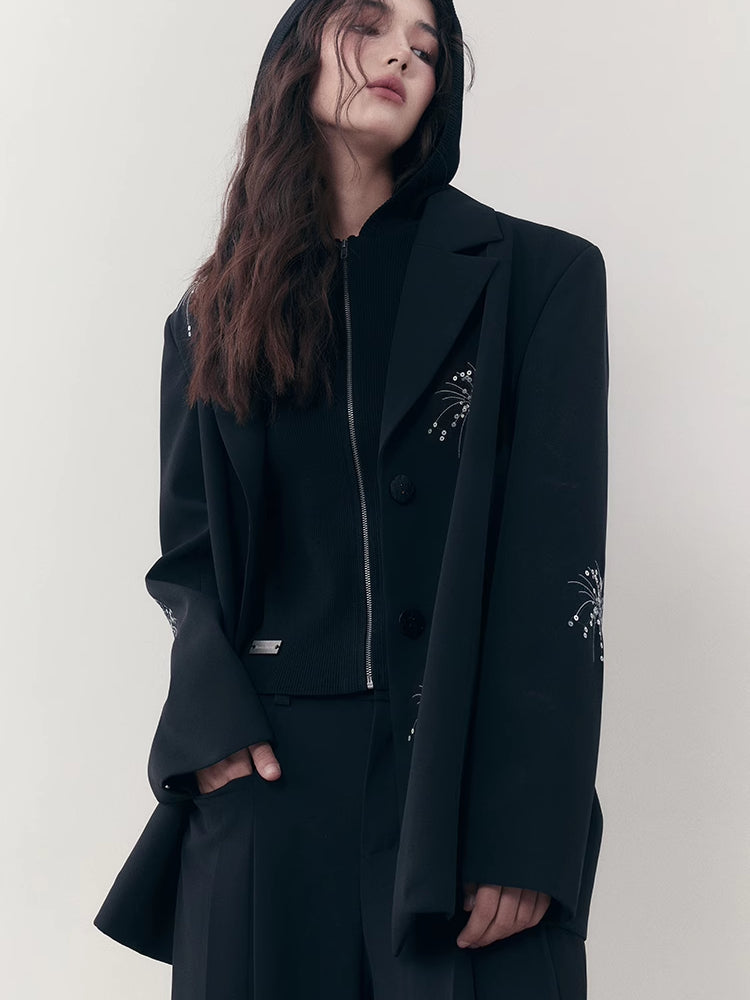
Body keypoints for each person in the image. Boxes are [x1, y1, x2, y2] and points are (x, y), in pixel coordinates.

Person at [94, 1, 609, 997]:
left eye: (427, 47)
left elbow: (561, 563)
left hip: (461, 792)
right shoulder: (210, 316)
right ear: (296, 52)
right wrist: (211, 738)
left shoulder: (538, 279)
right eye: (370, 23)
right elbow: (191, 559)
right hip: (264, 787)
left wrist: (527, 829)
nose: (402, 54)